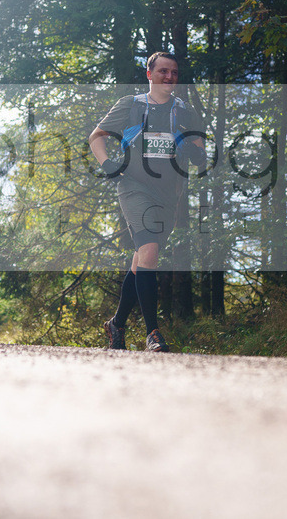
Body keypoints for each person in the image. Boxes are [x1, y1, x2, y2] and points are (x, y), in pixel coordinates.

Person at [88, 52, 206, 352]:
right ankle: (152, 333)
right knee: (149, 251)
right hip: (134, 186)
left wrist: (195, 152)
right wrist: (107, 165)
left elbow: (199, 150)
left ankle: (116, 324)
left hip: (169, 194)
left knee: (142, 260)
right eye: (163, 71)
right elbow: (96, 137)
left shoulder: (185, 111)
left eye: (174, 73)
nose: (169, 77)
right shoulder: (131, 104)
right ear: (149, 74)